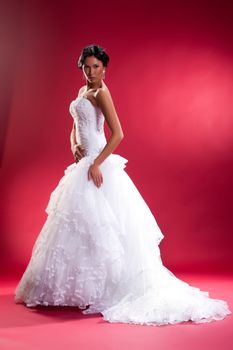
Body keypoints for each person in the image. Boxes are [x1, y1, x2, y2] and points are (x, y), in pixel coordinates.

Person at [14, 44, 231, 326]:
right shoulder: (83, 92)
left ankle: (106, 288)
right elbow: (75, 124)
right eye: (86, 67)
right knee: (80, 226)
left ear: (104, 68)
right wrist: (73, 145)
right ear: (81, 67)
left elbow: (118, 134)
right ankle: (79, 290)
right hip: (84, 161)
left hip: (98, 162)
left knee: (104, 228)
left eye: (96, 67)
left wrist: (95, 163)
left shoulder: (102, 92)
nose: (91, 72)